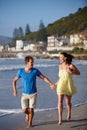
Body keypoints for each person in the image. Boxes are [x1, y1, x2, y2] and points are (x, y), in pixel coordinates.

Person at [12, 56, 55, 128]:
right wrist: (15, 90)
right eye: (31, 62)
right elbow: (14, 81)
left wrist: (51, 83)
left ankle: (30, 124)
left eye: (33, 62)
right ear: (27, 62)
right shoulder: (21, 71)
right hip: (24, 94)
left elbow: (43, 77)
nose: (32, 64)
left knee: (31, 109)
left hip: (33, 93)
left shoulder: (35, 71)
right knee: (24, 110)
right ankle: (27, 114)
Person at [55, 52, 80, 125]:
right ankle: (60, 119)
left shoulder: (71, 65)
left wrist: (71, 72)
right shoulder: (59, 66)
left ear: (65, 58)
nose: (59, 58)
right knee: (60, 102)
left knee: (68, 102)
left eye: (60, 57)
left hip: (68, 84)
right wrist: (55, 84)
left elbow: (78, 73)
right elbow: (60, 78)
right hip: (61, 85)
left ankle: (69, 112)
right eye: (59, 57)